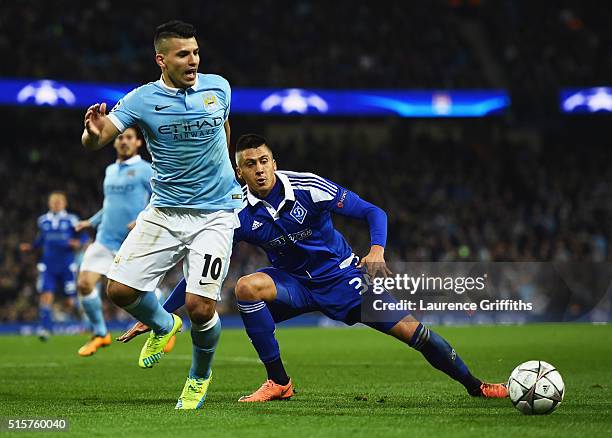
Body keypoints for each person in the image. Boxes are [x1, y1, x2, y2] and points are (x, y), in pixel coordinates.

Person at [119, 134, 508, 403]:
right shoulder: (235, 214)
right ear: (239, 172)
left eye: (264, 161)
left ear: (274, 162)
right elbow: (203, 270)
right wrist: (160, 313)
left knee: (416, 334)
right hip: (294, 286)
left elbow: (373, 211)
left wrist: (376, 250)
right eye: (250, 164)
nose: (259, 169)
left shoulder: (309, 188)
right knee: (246, 288)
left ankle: (477, 386)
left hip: (344, 279)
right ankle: (279, 382)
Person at [80, 20, 243, 409]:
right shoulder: (141, 99)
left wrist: (226, 167)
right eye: (184, 54)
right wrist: (91, 132)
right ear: (162, 59)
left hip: (215, 214)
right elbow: (99, 139)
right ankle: (163, 324)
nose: (193, 61)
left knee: (201, 306)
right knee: (119, 290)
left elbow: (224, 125)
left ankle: (199, 377)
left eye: (197, 52)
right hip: (165, 211)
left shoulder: (219, 87)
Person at [75, 127, 154, 356]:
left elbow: (161, 197)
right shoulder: (110, 170)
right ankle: (100, 333)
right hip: (104, 239)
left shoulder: (146, 170)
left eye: (129, 137)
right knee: (84, 284)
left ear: (138, 143)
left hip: (132, 242)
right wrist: (91, 221)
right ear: (114, 143)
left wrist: (142, 218)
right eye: (119, 137)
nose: (123, 141)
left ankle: (162, 326)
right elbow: (110, 204)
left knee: (141, 292)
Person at [20, 191, 88, 341]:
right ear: (50, 204)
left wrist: (79, 243)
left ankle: (83, 321)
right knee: (46, 296)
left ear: (65, 204)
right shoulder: (43, 220)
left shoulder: (71, 220)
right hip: (48, 265)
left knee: (70, 301)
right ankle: (44, 328)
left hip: (67, 265)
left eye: (59, 202)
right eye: (54, 202)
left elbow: (84, 237)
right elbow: (42, 239)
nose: (56, 204)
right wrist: (31, 247)